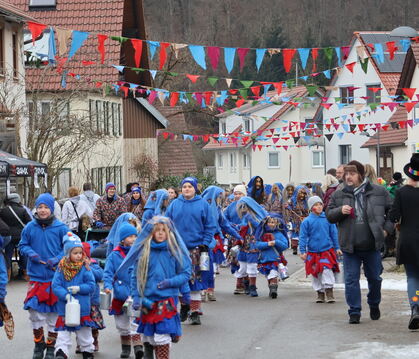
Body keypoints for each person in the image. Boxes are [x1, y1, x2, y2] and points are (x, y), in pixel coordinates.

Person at [326, 160, 393, 324]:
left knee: (375, 279)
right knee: (351, 280)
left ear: (361, 175)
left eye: (352, 173)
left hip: (372, 245)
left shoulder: (379, 191)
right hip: (350, 246)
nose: (348, 177)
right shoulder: (339, 194)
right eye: (346, 173)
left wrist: (385, 230)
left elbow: (392, 212)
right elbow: (329, 214)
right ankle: (354, 311)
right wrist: (339, 211)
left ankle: (374, 303)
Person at [116, 216, 191, 359]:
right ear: (151, 233)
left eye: (164, 230)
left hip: (167, 300)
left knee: (162, 335)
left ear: (169, 232)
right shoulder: (144, 252)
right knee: (148, 335)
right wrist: (136, 296)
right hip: (147, 300)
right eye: (157, 230)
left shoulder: (174, 251)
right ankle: (148, 353)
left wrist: (171, 282)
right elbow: (135, 277)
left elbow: (186, 273)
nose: (161, 233)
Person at [19, 193, 69, 359]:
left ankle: (50, 346)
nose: (42, 210)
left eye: (46, 207)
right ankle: (38, 344)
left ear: (51, 209)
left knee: (53, 315)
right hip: (36, 276)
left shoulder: (61, 228)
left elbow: (70, 248)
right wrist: (31, 253)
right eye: (40, 207)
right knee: (34, 312)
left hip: (55, 277)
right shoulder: (29, 227)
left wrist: (58, 258)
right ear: (36, 208)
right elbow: (22, 245)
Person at [166, 177, 217, 325]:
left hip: (197, 249)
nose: (187, 189)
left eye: (189, 186)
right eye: (184, 186)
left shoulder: (203, 205)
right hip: (178, 250)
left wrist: (205, 243)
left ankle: (195, 312)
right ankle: (184, 307)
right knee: (181, 281)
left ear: (195, 188)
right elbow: (167, 224)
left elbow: (210, 226)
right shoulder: (174, 204)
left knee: (196, 281)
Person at [52, 233, 96, 359]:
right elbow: (56, 285)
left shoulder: (85, 267)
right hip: (65, 307)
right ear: (67, 253)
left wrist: (80, 288)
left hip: (82, 308)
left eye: (80, 253)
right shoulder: (61, 268)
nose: (78, 256)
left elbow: (91, 285)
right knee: (63, 333)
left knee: (84, 332)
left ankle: (87, 350)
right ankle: (61, 351)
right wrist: (65, 295)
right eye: (75, 253)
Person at [389, 154, 419, 330]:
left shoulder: (401, 192)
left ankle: (415, 307)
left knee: (413, 277)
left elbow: (393, 216)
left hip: (408, 239)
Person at [103, 223, 142, 358]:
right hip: (120, 293)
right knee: (122, 323)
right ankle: (125, 347)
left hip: (134, 292)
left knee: (134, 321)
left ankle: (138, 347)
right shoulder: (114, 255)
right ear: (122, 239)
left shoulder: (139, 252)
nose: (133, 239)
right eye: (130, 236)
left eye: (135, 236)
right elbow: (108, 273)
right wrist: (107, 286)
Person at [201, 186, 241, 301]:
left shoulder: (218, 209)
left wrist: (238, 235)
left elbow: (225, 225)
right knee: (203, 266)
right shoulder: (201, 207)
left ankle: (210, 289)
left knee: (212, 267)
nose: (221, 199)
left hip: (215, 241)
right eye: (219, 196)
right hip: (203, 241)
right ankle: (203, 290)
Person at [299, 196, 342, 303]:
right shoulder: (307, 222)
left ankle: (329, 292)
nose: (319, 207)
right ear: (311, 207)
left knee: (327, 270)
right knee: (316, 273)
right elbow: (302, 237)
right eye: (316, 205)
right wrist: (302, 251)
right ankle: (320, 293)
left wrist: (337, 247)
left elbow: (334, 234)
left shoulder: (328, 219)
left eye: (320, 204)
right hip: (313, 252)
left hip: (326, 250)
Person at [235, 197, 269, 297]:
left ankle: (252, 287)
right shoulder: (242, 216)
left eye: (244, 206)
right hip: (243, 244)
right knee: (243, 266)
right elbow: (240, 227)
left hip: (253, 244)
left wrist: (251, 219)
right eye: (241, 207)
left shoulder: (257, 216)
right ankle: (245, 284)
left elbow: (260, 226)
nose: (243, 208)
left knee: (252, 266)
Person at [77, 242, 105, 353]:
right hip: (80, 301)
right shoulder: (74, 265)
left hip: (92, 301)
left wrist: (89, 267)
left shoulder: (94, 264)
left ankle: (94, 341)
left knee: (93, 323)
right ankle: (80, 343)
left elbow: (100, 276)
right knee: (79, 323)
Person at [254, 215, 288, 299]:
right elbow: (257, 245)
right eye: (269, 222)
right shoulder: (262, 234)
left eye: (272, 222)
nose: (270, 224)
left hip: (275, 259)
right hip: (264, 259)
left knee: (273, 274)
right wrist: (267, 244)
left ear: (277, 223)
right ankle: (271, 287)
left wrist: (276, 242)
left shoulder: (279, 234)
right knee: (269, 275)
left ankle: (273, 289)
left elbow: (285, 245)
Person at [0, 193, 32, 280]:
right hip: (21, 236)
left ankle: (8, 275)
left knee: (8, 254)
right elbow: (30, 223)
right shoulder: (22, 210)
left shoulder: (3, 211)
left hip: (9, 236)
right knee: (23, 254)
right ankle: (26, 274)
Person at [288, 185, 310, 255]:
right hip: (295, 219)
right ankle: (294, 247)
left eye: (303, 193)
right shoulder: (292, 200)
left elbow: (308, 210)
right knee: (295, 233)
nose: (302, 195)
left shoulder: (306, 201)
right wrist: (288, 207)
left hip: (304, 219)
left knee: (304, 234)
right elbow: (289, 208)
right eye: (300, 193)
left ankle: (303, 248)